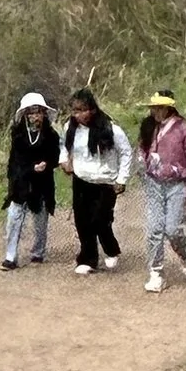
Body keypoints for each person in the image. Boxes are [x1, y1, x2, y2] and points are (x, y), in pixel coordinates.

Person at [134, 91, 186, 291]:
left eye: (158, 107)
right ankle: (156, 272)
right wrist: (142, 164)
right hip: (154, 183)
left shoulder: (184, 129)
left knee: (172, 229)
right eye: (152, 107)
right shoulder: (148, 126)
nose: (154, 111)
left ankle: (185, 253)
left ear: (167, 108)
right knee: (154, 229)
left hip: (178, 184)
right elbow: (142, 149)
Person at [62, 87, 131, 274]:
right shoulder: (70, 128)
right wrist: (64, 162)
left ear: (92, 109)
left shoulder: (110, 129)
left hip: (105, 182)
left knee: (100, 219)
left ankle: (111, 249)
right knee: (82, 221)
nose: (78, 115)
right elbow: (64, 146)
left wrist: (122, 178)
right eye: (75, 110)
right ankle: (88, 258)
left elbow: (125, 152)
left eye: (82, 110)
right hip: (82, 179)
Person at [4, 90, 60, 269]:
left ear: (43, 113)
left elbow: (55, 156)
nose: (35, 116)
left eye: (38, 111)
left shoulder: (51, 135)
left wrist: (46, 164)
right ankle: (10, 256)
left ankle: (38, 252)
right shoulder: (18, 135)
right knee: (14, 218)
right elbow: (15, 162)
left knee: (40, 220)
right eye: (31, 112)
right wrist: (30, 169)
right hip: (21, 184)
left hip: (42, 185)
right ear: (25, 114)